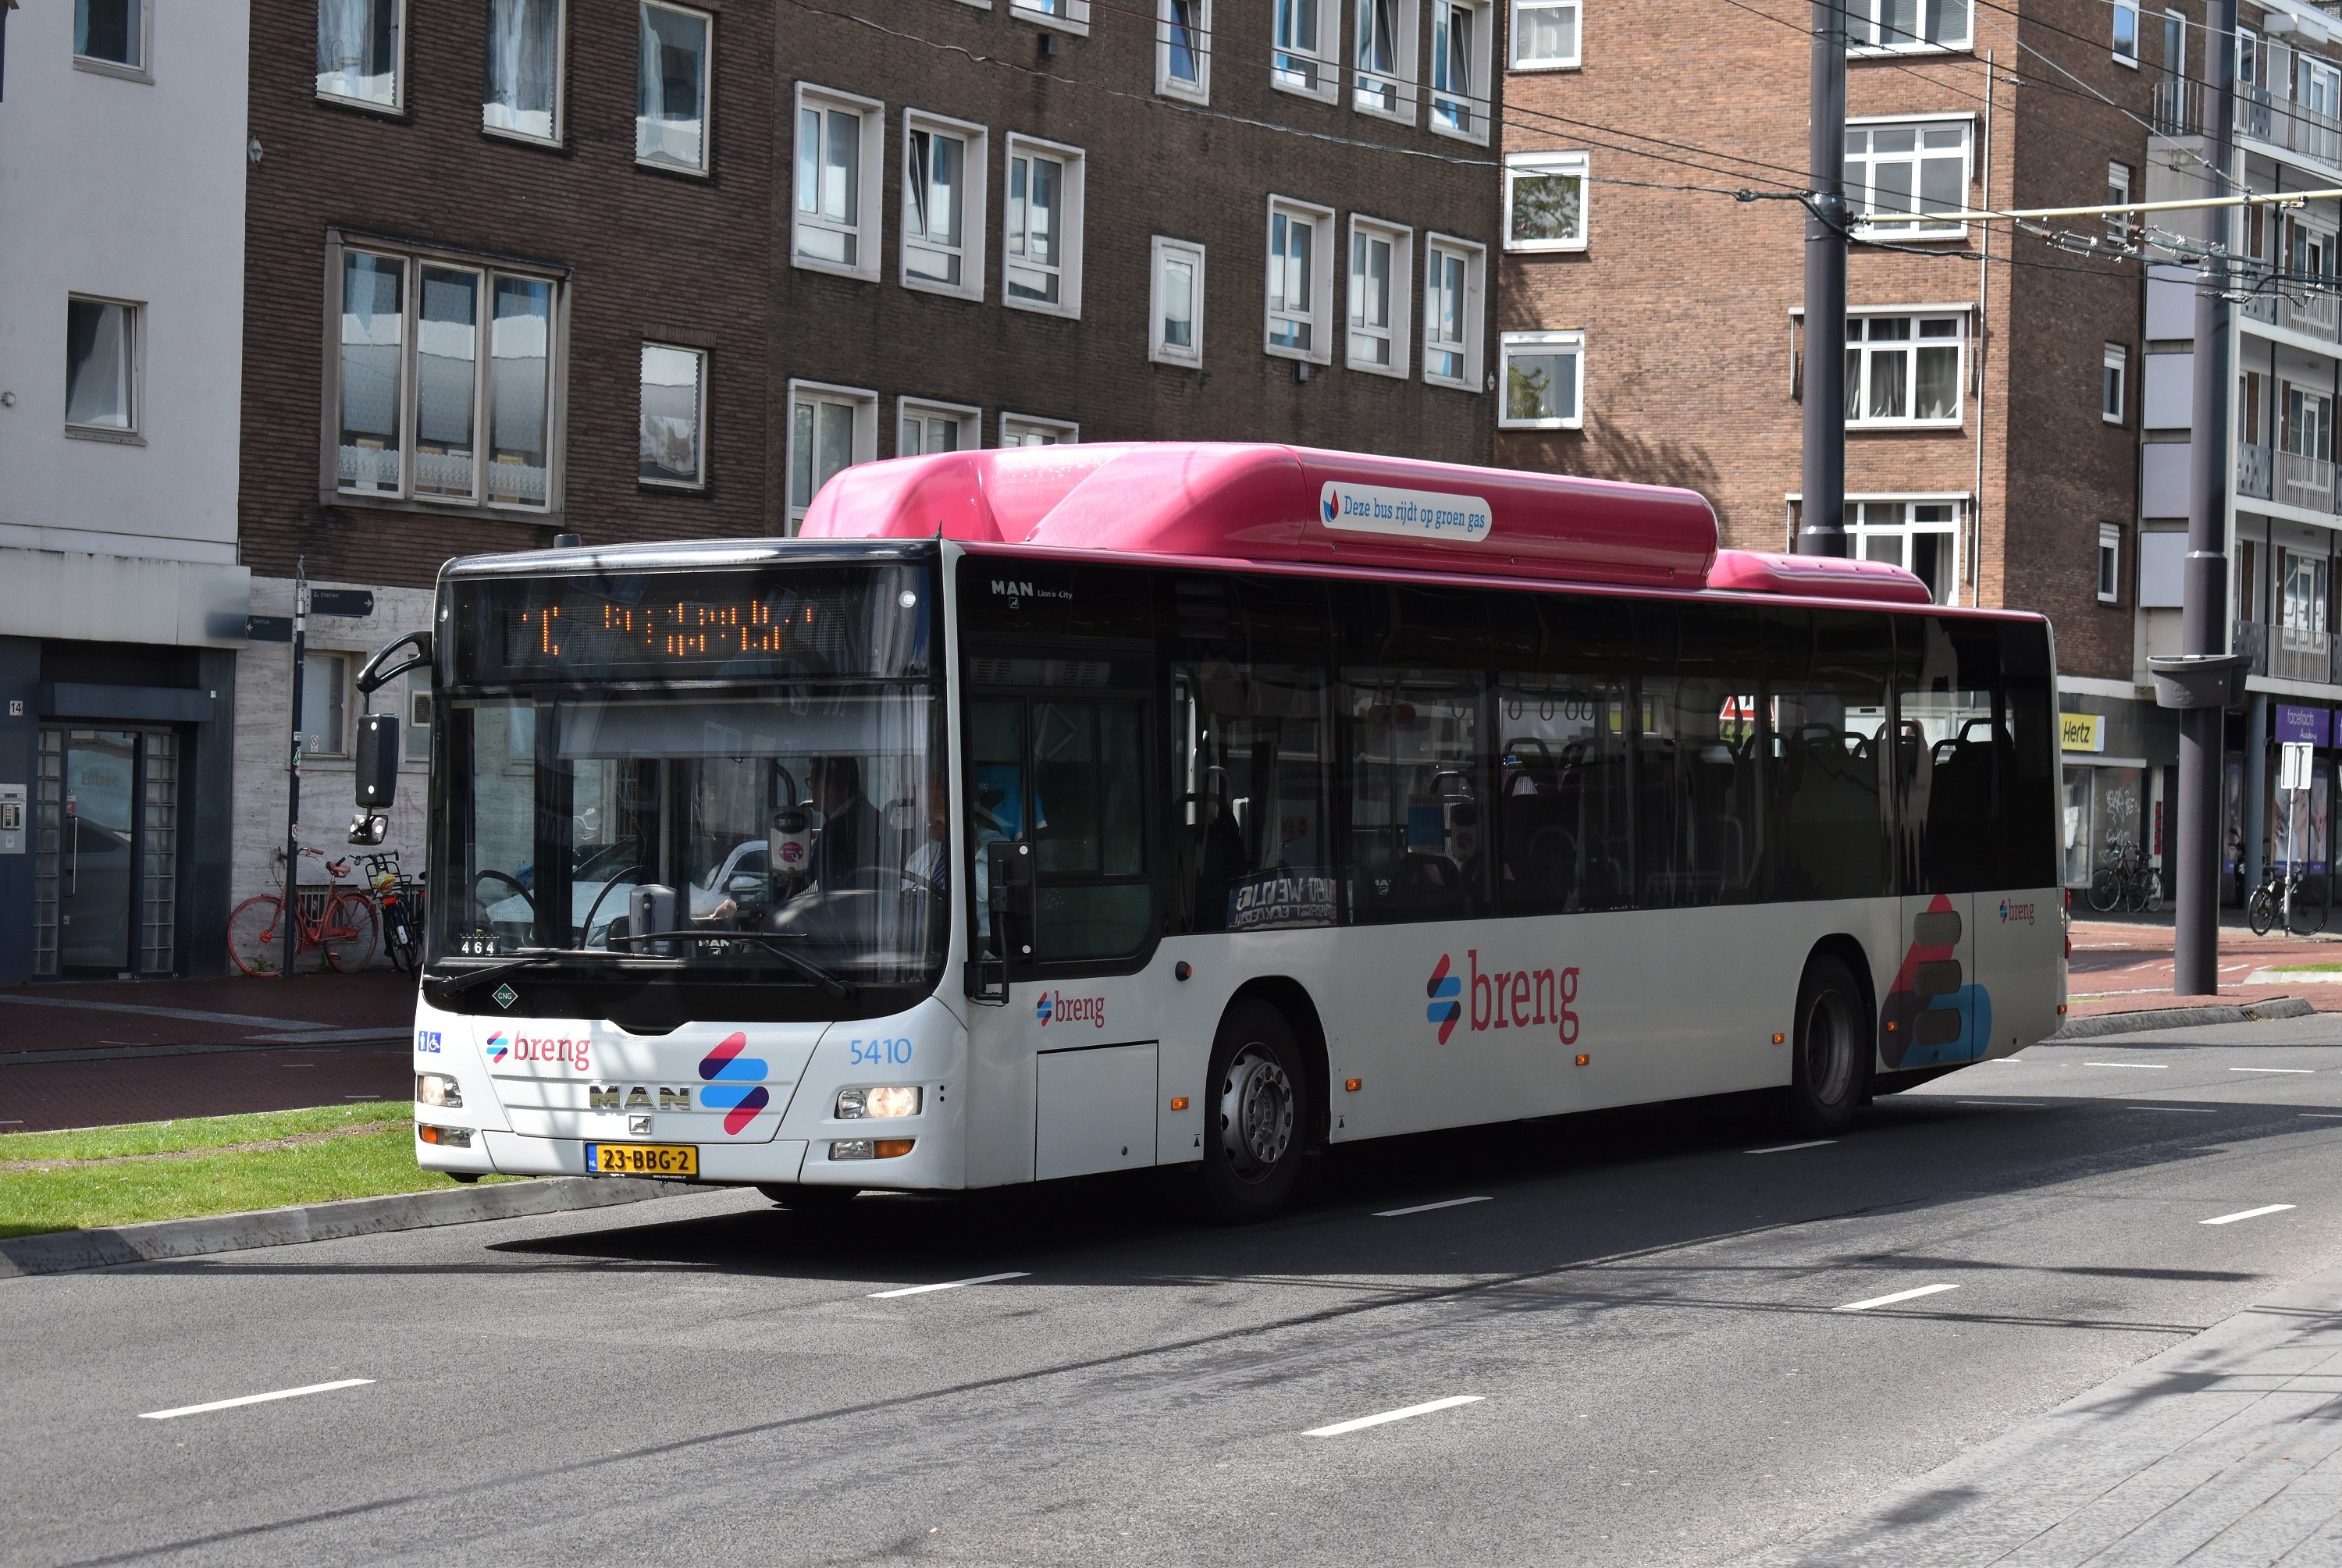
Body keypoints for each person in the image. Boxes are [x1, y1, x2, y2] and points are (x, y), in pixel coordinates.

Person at [810, 756, 884, 886]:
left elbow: (811, 881)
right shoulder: (875, 816)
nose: (811, 790)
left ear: (823, 786)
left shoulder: (833, 834)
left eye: (811, 783)